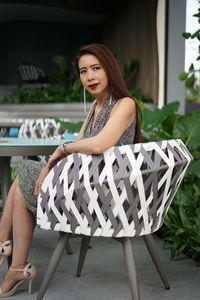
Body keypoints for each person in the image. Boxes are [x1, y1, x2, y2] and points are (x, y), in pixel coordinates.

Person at [0, 43, 141, 297]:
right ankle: (10, 255)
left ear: (110, 69)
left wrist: (57, 153)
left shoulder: (124, 104)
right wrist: (50, 167)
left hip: (103, 198)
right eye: (83, 71)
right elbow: (77, 151)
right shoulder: (96, 107)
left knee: (23, 179)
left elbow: (98, 144)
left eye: (96, 68)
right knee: (27, 175)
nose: (90, 77)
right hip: (86, 185)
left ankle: (12, 258)